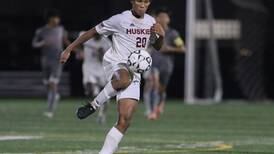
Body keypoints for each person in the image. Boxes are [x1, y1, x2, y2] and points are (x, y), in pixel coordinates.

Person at [60, 0, 165, 153]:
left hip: (135, 70)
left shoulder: (151, 22)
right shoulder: (120, 19)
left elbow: (157, 46)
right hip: (115, 62)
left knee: (125, 120)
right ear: (132, 1)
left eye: (146, 1)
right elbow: (92, 32)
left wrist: (161, 36)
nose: (142, 4)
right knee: (124, 79)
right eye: (139, 1)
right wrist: (68, 49)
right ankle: (93, 105)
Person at [143, 8, 185, 120]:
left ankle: (160, 103)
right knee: (152, 84)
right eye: (160, 16)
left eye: (165, 17)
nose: (162, 19)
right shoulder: (151, 31)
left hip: (166, 65)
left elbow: (182, 48)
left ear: (168, 19)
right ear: (156, 18)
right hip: (153, 63)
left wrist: (168, 48)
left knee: (161, 88)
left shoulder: (173, 34)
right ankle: (151, 111)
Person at [32, 9, 71, 118]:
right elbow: (34, 44)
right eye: (55, 17)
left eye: (58, 18)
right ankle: (55, 95)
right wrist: (42, 43)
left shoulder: (61, 29)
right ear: (50, 18)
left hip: (58, 60)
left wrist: (73, 49)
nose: (57, 20)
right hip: (45, 60)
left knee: (53, 83)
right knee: (47, 83)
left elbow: (66, 41)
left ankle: (50, 110)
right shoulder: (41, 31)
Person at [80, 32, 111, 124]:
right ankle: (95, 98)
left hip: (101, 69)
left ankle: (102, 114)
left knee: (105, 94)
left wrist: (101, 54)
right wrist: (79, 52)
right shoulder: (85, 36)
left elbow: (107, 59)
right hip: (88, 67)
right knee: (90, 89)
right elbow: (76, 43)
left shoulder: (107, 43)